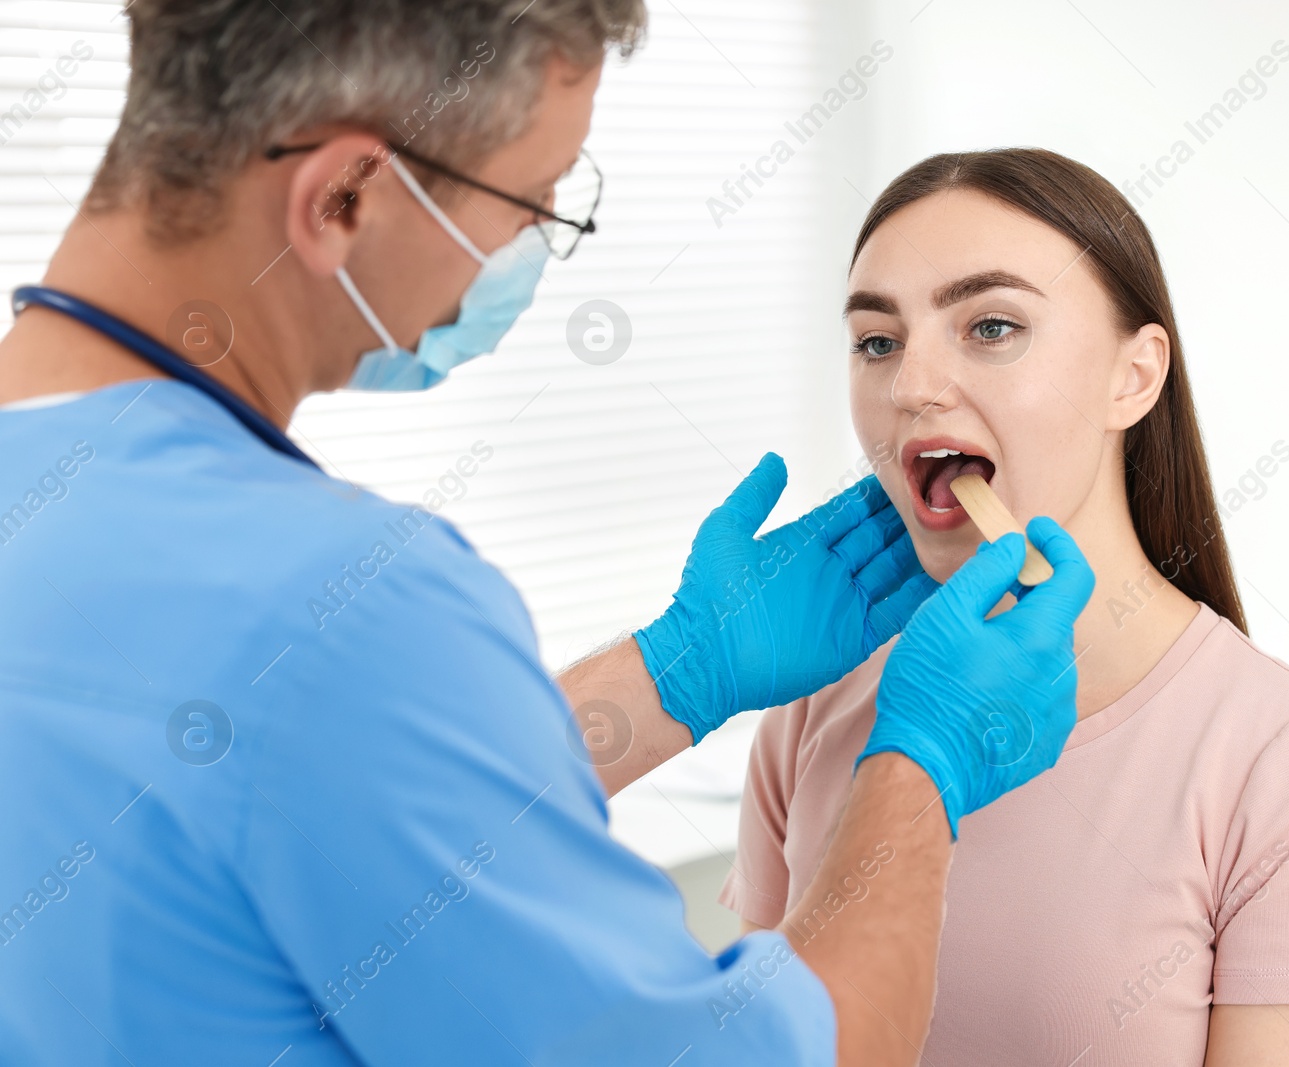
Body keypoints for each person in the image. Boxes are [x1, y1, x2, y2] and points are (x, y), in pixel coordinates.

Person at [0, 7, 1097, 1066]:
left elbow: (320, 797)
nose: (533, 248)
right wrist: (922, 762)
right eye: (529, 201)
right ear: (340, 196)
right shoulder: (341, 608)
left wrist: (674, 671)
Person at [719, 148, 1289, 1066]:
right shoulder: (816, 712)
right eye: (877, 341)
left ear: (1133, 377)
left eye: (993, 326)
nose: (910, 387)